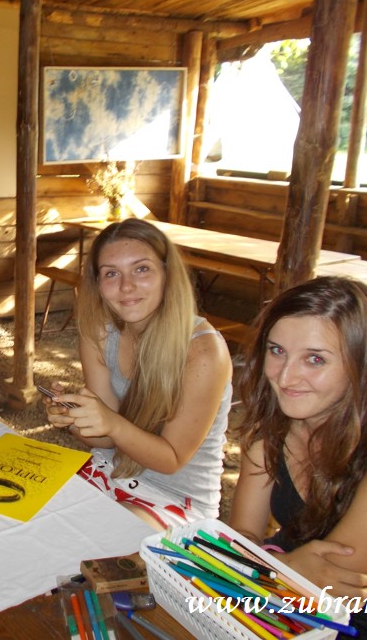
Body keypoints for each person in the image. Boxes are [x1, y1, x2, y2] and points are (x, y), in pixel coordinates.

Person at [228, 275, 367, 639]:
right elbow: (238, 539)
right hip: (275, 602)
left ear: (362, 364)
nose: (285, 377)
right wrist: (282, 566)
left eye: (315, 359)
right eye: (277, 351)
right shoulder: (272, 435)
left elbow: (325, 591)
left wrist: (270, 566)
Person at [44, 218, 233, 529]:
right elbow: (105, 440)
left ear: (167, 274)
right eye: (111, 273)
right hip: (109, 474)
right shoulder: (98, 333)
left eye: (141, 269)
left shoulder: (202, 350)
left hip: (175, 499)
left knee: (101, 540)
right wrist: (74, 418)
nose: (126, 286)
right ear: (97, 283)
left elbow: (171, 459)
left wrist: (111, 422)